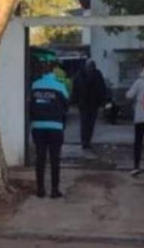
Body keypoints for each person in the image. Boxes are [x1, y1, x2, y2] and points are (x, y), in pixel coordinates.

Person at [30, 59, 70, 199]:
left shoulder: (34, 85)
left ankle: (40, 190)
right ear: (53, 71)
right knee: (54, 159)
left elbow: (30, 105)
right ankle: (54, 191)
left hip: (38, 126)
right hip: (55, 127)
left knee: (40, 158)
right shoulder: (60, 86)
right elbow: (66, 105)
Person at [72, 60, 108, 150]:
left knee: (89, 124)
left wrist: (103, 100)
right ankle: (85, 142)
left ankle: (86, 141)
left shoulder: (94, 75)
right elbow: (75, 89)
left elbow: (102, 88)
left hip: (92, 103)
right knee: (85, 124)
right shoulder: (81, 75)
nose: (91, 68)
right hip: (85, 103)